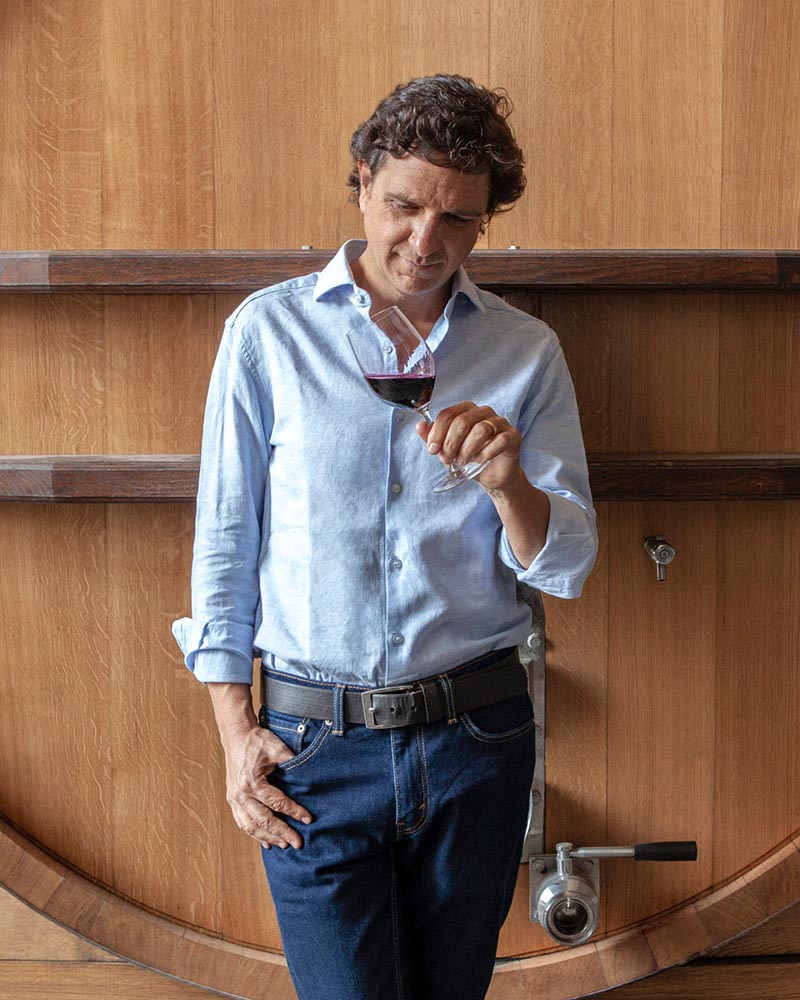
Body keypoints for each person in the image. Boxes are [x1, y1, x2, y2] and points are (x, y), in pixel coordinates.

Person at [173, 74, 597, 1000]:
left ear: (484, 222)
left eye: (459, 221)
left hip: (476, 735)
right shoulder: (268, 335)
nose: (426, 244)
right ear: (362, 182)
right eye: (405, 206)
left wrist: (507, 481)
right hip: (310, 747)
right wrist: (234, 732)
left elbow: (565, 565)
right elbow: (223, 547)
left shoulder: (526, 352)